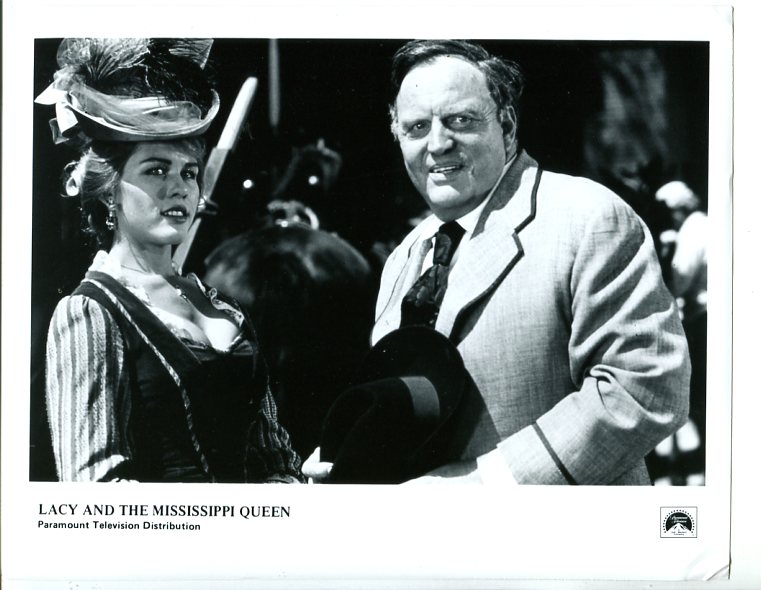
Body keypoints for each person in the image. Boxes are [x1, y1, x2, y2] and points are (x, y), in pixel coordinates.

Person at [305, 40, 691, 485]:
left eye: (460, 120)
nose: (438, 144)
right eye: (416, 128)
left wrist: (482, 484)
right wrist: (349, 457)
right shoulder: (404, 257)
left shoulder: (588, 217)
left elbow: (643, 387)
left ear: (506, 125)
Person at [38, 38, 302, 483]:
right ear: (110, 191)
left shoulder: (224, 306)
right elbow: (93, 491)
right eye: (156, 170)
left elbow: (276, 457)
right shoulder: (90, 314)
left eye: (189, 173)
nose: (179, 187)